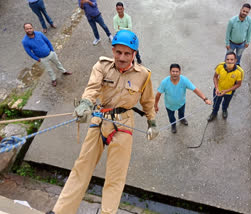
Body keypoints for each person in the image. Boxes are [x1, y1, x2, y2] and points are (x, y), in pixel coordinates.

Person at [46, 30, 159, 214]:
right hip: (100, 118)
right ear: (113, 50)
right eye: (118, 52)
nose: (122, 58)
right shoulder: (102, 66)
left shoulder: (143, 75)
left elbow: (147, 101)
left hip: (124, 124)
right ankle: (60, 211)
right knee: (81, 167)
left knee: (115, 177)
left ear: (134, 54)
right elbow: (92, 88)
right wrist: (85, 104)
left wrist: (152, 122)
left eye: (127, 53)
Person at [155, 64, 212, 133]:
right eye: (173, 71)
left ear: (180, 72)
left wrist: (205, 99)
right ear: (170, 72)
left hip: (181, 103)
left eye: (177, 71)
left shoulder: (184, 80)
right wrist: (155, 105)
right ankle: (173, 125)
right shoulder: (164, 82)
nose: (175, 73)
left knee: (181, 114)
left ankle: (182, 119)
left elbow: (195, 90)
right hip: (169, 105)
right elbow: (158, 94)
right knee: (171, 118)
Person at [207, 52, 244, 121]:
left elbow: (238, 84)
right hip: (218, 90)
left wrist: (226, 91)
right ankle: (214, 113)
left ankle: (224, 110)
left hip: (229, 92)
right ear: (225, 60)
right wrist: (217, 88)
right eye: (227, 59)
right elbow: (215, 77)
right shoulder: (220, 67)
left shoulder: (239, 72)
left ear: (235, 60)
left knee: (226, 103)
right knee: (216, 103)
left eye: (232, 59)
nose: (229, 61)